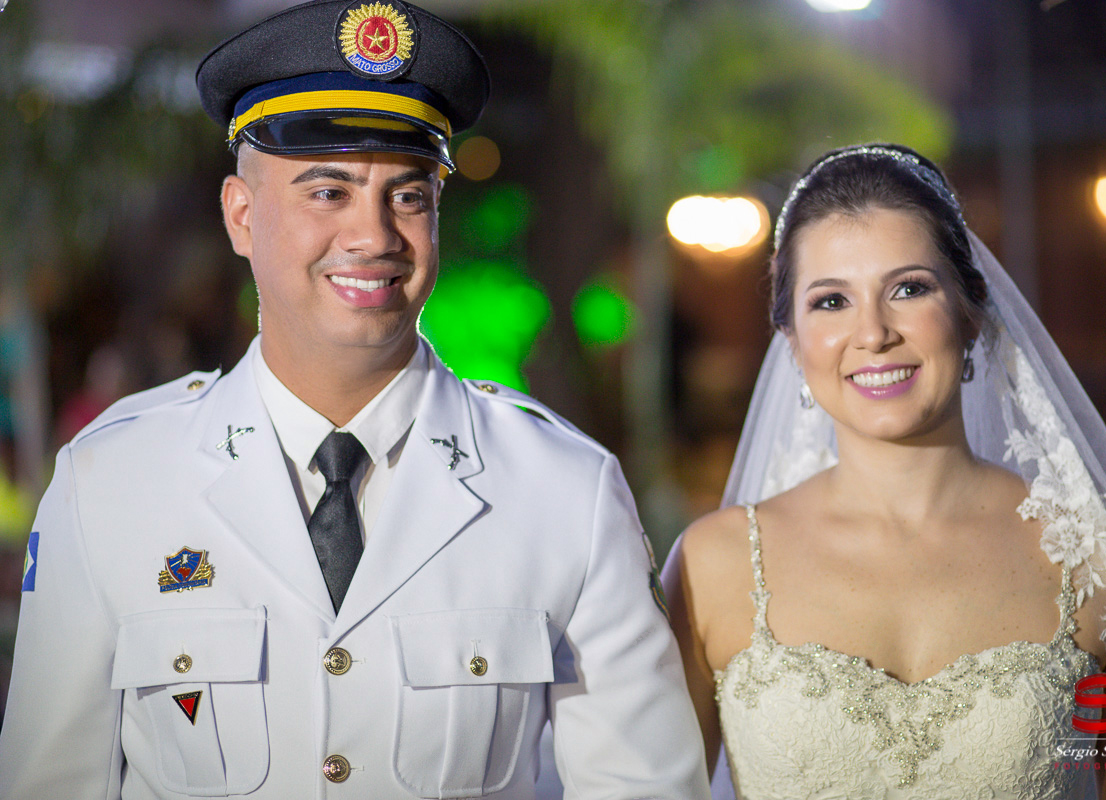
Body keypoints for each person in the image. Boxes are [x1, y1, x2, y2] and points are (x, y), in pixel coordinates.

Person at [0, 1, 710, 797]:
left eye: (408, 196)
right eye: (328, 192)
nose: (374, 237)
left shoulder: (563, 489)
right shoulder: (115, 483)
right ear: (241, 215)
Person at [665, 144, 1106, 799]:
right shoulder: (711, 568)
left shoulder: (1098, 558)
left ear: (971, 313)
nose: (873, 333)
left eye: (909, 289)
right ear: (791, 341)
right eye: (831, 301)